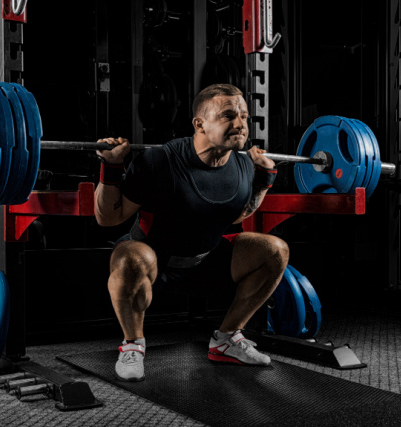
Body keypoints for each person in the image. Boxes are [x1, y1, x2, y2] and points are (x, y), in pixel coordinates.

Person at [93, 83, 289, 382]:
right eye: (228, 116)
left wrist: (264, 181)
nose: (240, 125)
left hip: (205, 262)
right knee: (129, 255)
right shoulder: (160, 161)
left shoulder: (242, 164)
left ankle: (226, 340)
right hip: (153, 264)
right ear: (199, 123)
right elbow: (109, 218)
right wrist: (112, 167)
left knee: (275, 250)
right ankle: (133, 344)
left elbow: (237, 214)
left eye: (244, 116)